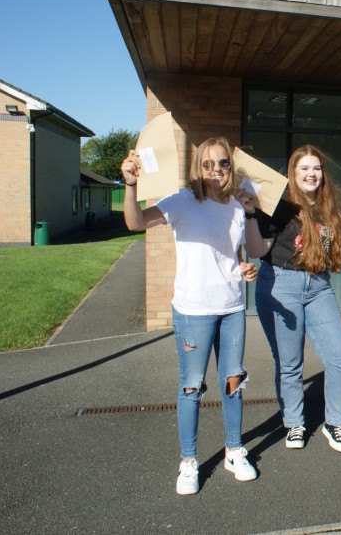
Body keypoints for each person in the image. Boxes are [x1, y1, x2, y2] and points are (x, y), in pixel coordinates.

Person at [121, 137, 259, 496]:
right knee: (192, 387)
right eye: (208, 163)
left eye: (223, 163)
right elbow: (135, 222)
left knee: (233, 382)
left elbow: (237, 252)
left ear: (231, 167)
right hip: (193, 311)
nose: (216, 170)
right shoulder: (184, 200)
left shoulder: (236, 206)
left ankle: (233, 450)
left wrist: (244, 266)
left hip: (231, 308)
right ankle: (188, 461)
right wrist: (131, 184)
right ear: (198, 166)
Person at [243, 145, 341, 455]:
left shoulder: (330, 206)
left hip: (319, 286)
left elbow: (339, 257)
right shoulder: (279, 206)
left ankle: (335, 422)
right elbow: (257, 251)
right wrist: (249, 216)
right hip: (281, 285)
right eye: (304, 169)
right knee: (290, 363)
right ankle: (295, 422)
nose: (311, 174)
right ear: (293, 173)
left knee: (340, 355)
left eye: (316, 168)